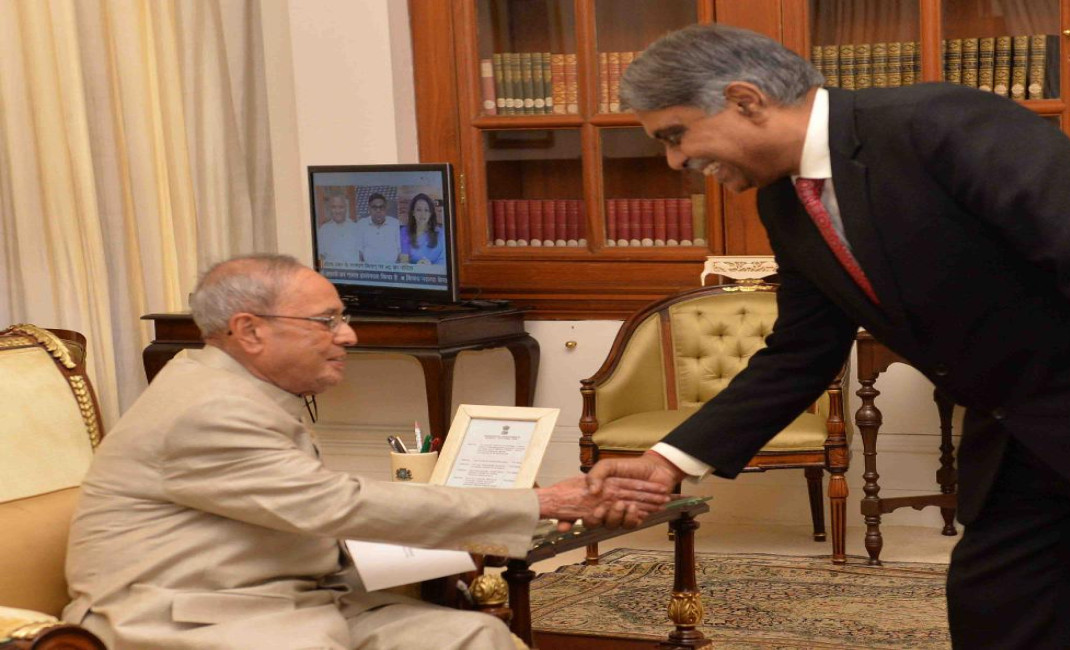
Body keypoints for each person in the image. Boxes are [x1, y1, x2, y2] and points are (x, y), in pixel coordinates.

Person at [584, 24, 1070, 649]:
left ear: (744, 99)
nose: (676, 160)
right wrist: (666, 460)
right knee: (1004, 615)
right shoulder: (786, 204)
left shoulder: (941, 122)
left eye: (676, 135)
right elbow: (798, 353)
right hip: (1026, 430)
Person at [63, 254, 667, 649]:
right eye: (326, 321)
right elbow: (338, 505)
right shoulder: (208, 410)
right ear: (250, 331)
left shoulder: (236, 389)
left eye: (342, 318)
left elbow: (319, 513)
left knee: (475, 638)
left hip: (292, 599)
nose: (348, 335)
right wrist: (542, 502)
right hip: (191, 619)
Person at [400, 193, 446, 265]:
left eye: (426, 210)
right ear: (413, 213)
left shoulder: (441, 234)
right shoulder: (404, 231)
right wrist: (417, 267)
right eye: (419, 210)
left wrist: (430, 266)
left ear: (430, 213)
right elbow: (403, 261)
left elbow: (444, 262)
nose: (423, 214)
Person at [357, 192, 402, 264]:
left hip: (393, 268)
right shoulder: (361, 224)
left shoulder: (396, 224)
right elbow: (359, 252)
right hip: (368, 269)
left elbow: (401, 252)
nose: (378, 211)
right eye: (374, 207)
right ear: (369, 208)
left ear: (386, 208)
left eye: (381, 207)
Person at [317, 192, 360, 265]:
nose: (337, 211)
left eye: (341, 207)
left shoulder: (356, 228)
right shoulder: (323, 230)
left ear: (346, 208)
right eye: (334, 207)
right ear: (329, 209)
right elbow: (321, 257)